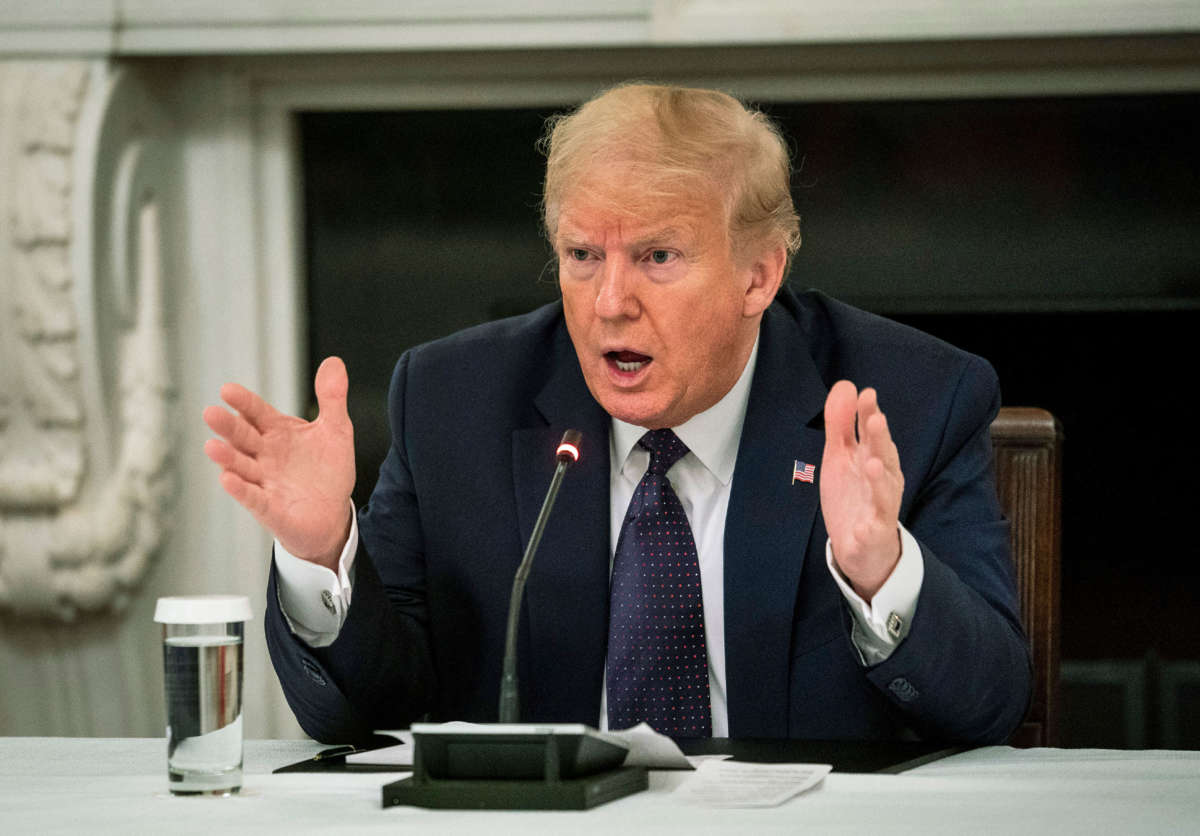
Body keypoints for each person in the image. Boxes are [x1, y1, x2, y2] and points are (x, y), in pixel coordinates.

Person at [203, 83, 1031, 745]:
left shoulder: (913, 400)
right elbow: (366, 719)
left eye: (657, 257)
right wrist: (320, 556)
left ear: (758, 275)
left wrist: (879, 567)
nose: (609, 303)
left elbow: (990, 705)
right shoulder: (454, 401)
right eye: (582, 255)